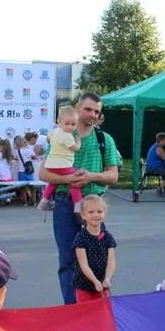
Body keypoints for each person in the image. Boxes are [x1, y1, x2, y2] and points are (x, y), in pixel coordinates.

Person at [38, 93, 122, 305]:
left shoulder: (105, 139)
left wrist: (91, 176)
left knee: (98, 259)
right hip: (65, 203)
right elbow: (43, 174)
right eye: (88, 109)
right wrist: (68, 178)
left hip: (94, 207)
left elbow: (113, 175)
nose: (93, 114)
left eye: (96, 111)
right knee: (67, 260)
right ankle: (72, 310)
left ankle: (96, 307)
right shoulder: (60, 135)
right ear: (77, 108)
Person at [39, 105, 83, 212]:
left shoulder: (55, 131)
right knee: (74, 181)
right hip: (63, 165)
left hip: (51, 165)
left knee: (53, 183)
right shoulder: (67, 136)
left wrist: (54, 142)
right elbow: (75, 148)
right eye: (67, 123)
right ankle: (78, 204)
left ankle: (44, 200)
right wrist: (78, 141)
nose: (69, 127)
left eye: (73, 124)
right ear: (59, 121)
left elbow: (48, 139)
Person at [73, 194, 116, 302]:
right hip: (84, 285)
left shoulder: (108, 237)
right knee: (85, 313)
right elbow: (83, 265)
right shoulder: (80, 238)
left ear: (104, 214)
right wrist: (94, 281)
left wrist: (107, 278)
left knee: (103, 312)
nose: (95, 215)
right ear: (83, 215)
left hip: (103, 284)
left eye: (99, 211)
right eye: (91, 212)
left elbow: (111, 261)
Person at [145, 132, 165, 197]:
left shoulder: (155, 146)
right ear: (161, 140)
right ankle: (160, 188)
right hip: (154, 169)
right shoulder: (159, 149)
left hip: (151, 168)